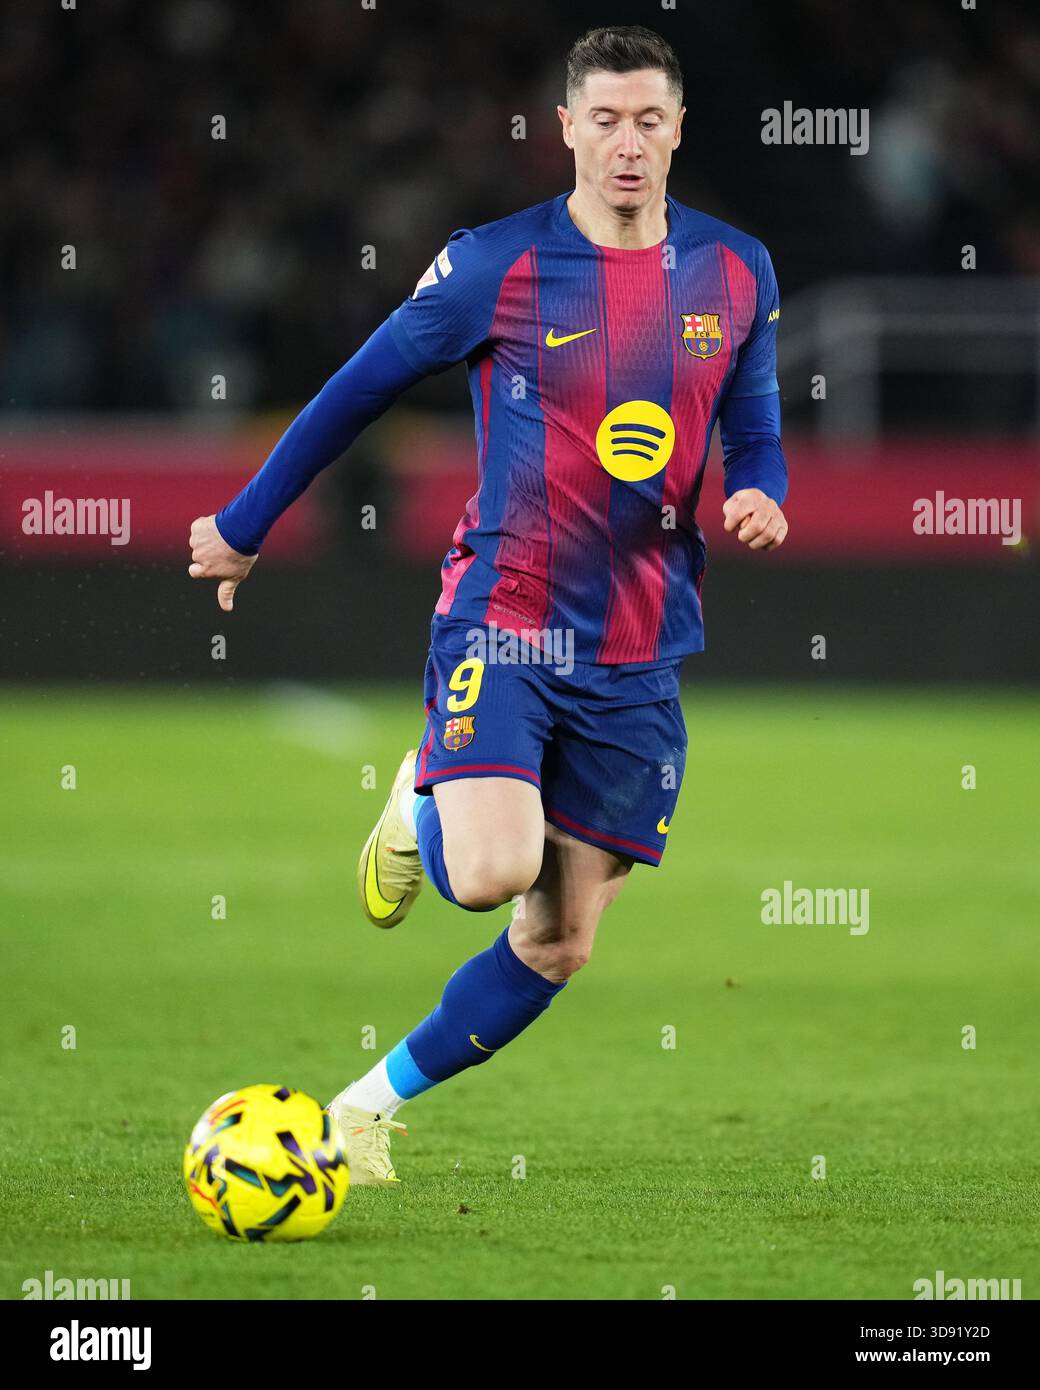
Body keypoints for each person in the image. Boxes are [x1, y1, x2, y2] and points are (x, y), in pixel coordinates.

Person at [188, 25, 789, 1184]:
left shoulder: (736, 269)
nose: (626, 144)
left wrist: (759, 489)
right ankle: (425, 786)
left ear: (677, 130)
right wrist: (244, 524)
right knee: (488, 873)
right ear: (565, 128)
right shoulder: (494, 267)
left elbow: (751, 420)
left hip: (640, 648)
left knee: (559, 940)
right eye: (603, 121)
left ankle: (357, 1109)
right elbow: (358, 387)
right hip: (507, 612)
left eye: (647, 121)